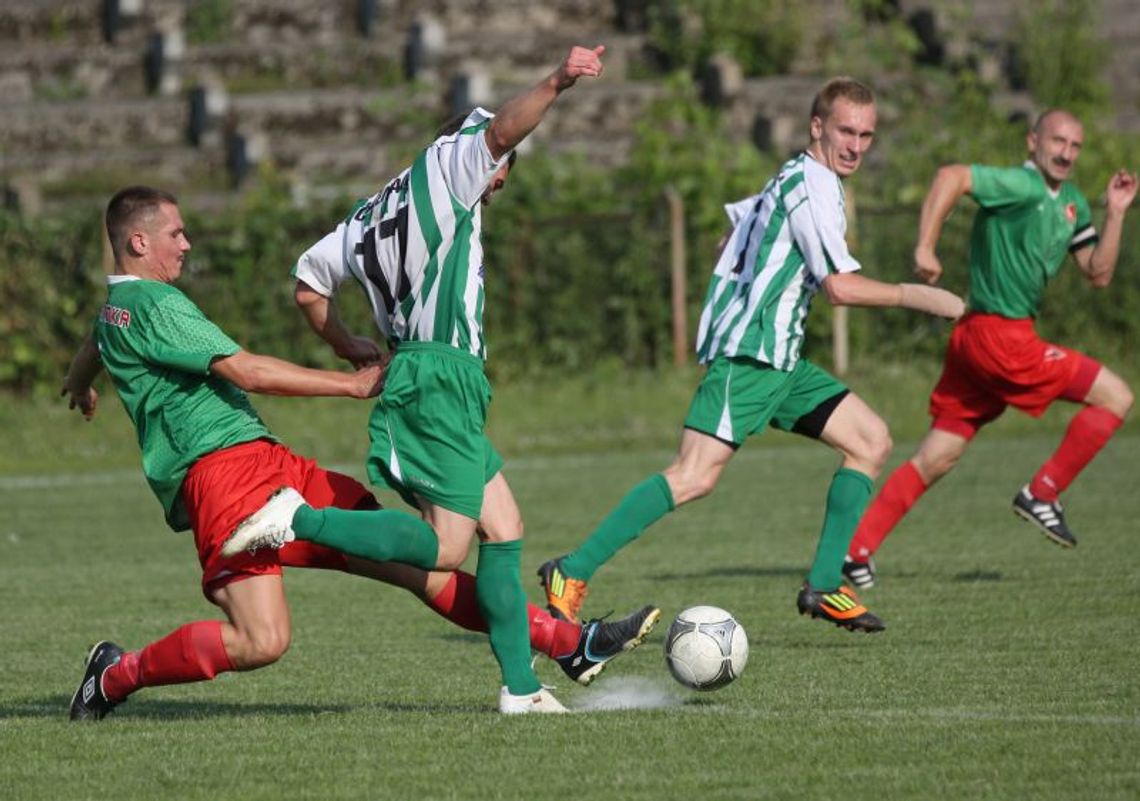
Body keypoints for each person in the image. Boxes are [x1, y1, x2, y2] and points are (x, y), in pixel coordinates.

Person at [64, 186, 659, 721]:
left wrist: (78, 380)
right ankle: (114, 675)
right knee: (261, 641)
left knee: (421, 563)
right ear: (139, 241)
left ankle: (566, 643)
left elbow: (97, 340)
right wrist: (349, 385)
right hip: (223, 482)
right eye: (176, 233)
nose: (186, 244)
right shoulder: (156, 303)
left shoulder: (118, 309)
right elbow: (246, 371)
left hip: (268, 463)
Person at [220, 45, 658, 710]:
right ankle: (297, 517)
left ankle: (521, 689)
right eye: (499, 173)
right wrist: (558, 81)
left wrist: (348, 344)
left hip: (435, 376)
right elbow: (503, 129)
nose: (497, 186)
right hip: (435, 378)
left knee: (503, 525)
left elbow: (308, 285)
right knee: (447, 548)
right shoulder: (452, 164)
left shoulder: (368, 213)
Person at [534, 78, 965, 633]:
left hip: (781, 361)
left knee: (871, 441)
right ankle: (571, 571)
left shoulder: (797, 176)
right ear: (817, 127)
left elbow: (737, 229)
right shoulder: (811, 184)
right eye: (846, 131)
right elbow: (839, 287)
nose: (856, 145)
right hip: (750, 358)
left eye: (866, 135)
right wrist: (916, 296)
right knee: (692, 476)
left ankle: (824, 584)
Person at [842, 109, 1137, 588]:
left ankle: (854, 551)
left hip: (976, 343)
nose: (1066, 153)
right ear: (1033, 142)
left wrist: (1117, 212)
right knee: (1117, 397)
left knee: (937, 457)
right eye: (1057, 141)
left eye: (1074, 146)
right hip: (1001, 339)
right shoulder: (1020, 185)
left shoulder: (1073, 205)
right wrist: (925, 246)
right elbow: (951, 176)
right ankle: (1043, 492)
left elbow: (1098, 273)